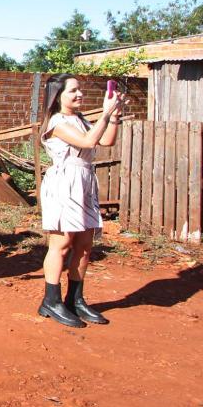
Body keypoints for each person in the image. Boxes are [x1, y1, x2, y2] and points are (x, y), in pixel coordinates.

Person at [37, 74, 122, 328]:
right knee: (62, 243)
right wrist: (105, 114)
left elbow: (106, 140)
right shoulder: (56, 122)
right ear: (58, 95)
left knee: (85, 245)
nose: (79, 94)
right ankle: (50, 300)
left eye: (80, 89)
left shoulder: (81, 120)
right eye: (73, 90)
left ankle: (75, 299)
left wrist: (115, 115)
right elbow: (87, 141)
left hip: (85, 181)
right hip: (65, 182)